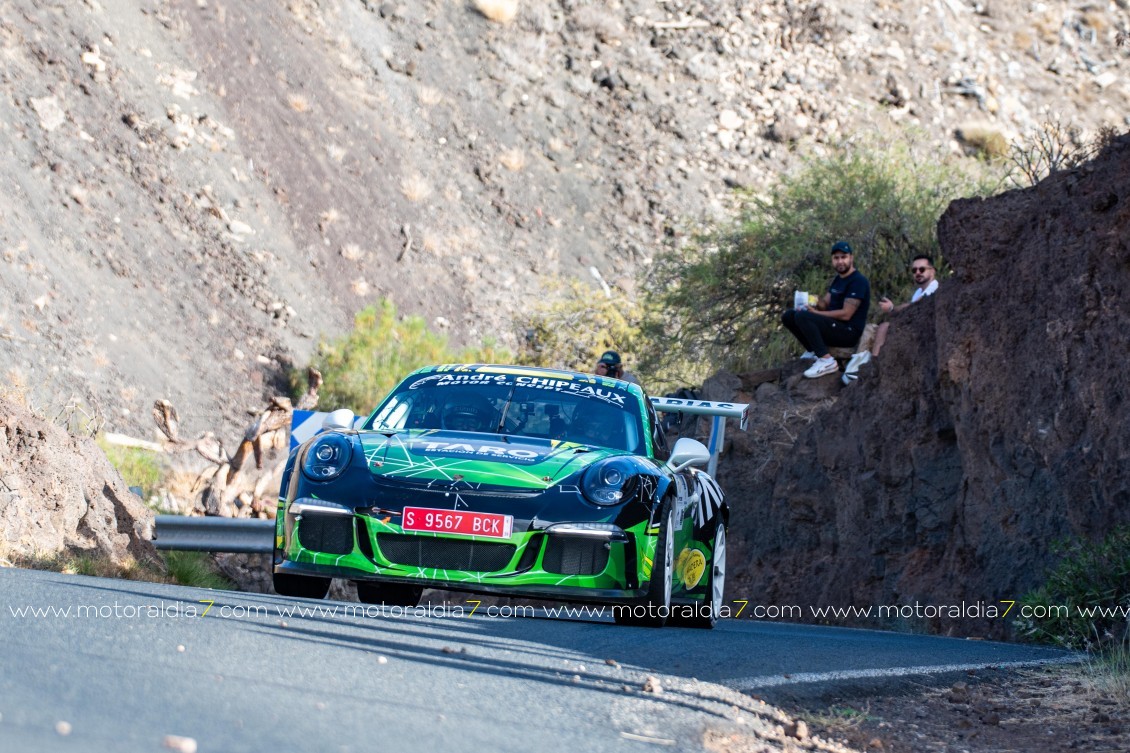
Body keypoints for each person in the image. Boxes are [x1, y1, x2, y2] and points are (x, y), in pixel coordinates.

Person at [841, 254, 939, 385]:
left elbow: (915, 306)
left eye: (922, 269)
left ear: (932, 271)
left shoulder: (934, 286)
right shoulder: (918, 291)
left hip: (923, 334)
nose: (917, 273)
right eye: (914, 270)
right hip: (910, 328)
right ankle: (857, 368)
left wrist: (892, 308)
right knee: (870, 329)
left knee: (884, 327)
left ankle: (873, 368)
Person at [781, 241, 871, 379]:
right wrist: (814, 301)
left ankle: (827, 361)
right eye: (836, 258)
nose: (840, 261)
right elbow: (825, 305)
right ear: (832, 260)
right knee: (789, 316)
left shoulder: (858, 281)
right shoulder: (838, 280)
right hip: (833, 326)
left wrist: (816, 313)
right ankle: (813, 352)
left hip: (848, 332)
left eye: (843, 257)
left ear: (851, 258)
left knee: (803, 317)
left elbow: (846, 314)